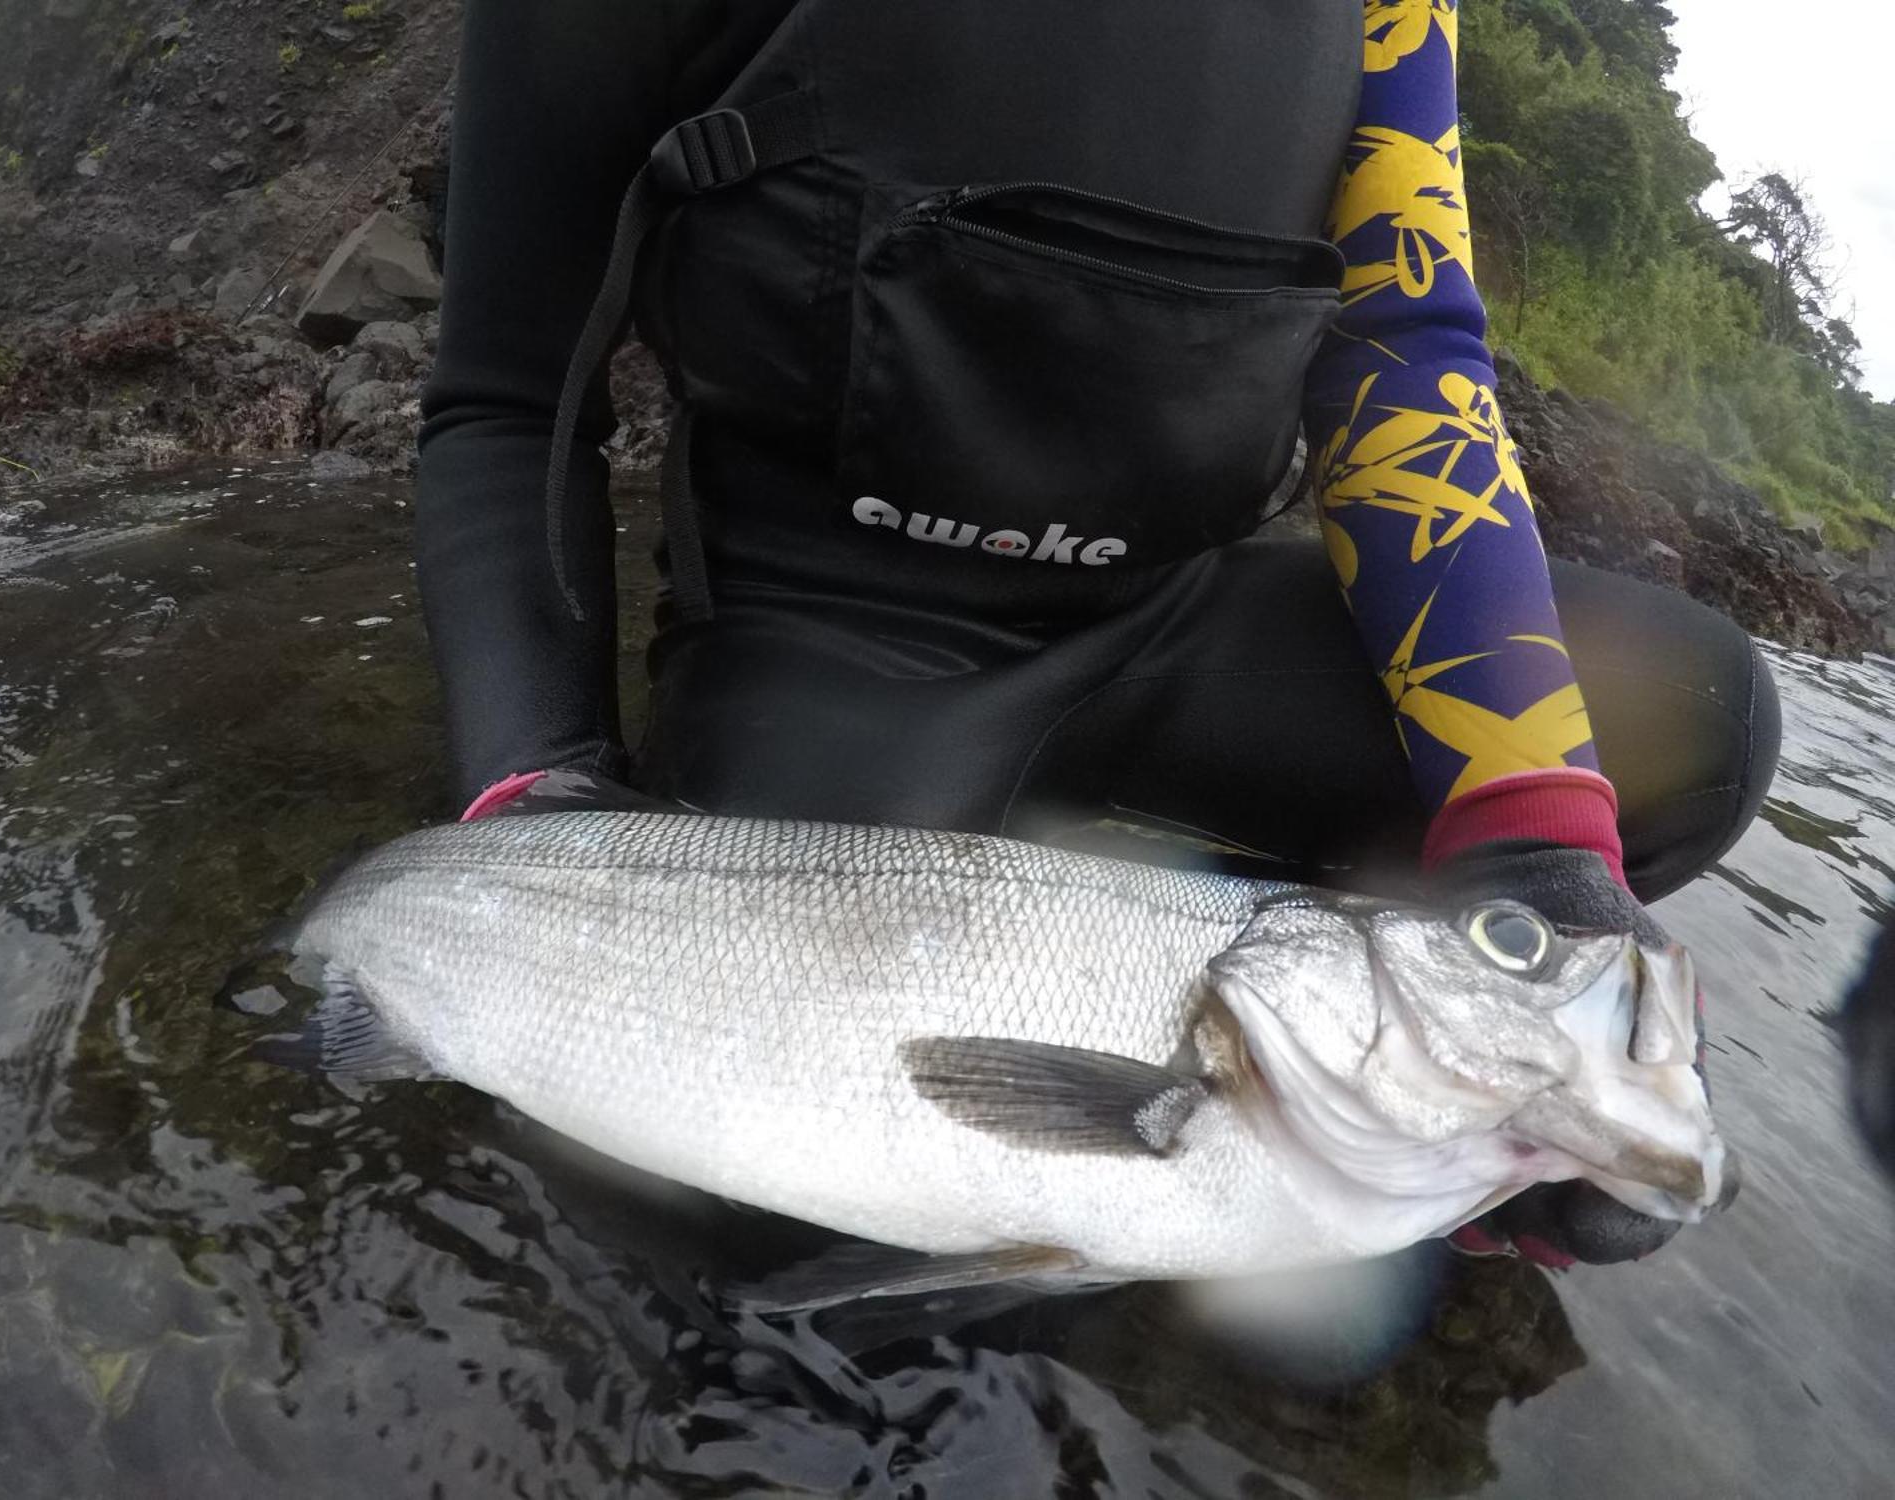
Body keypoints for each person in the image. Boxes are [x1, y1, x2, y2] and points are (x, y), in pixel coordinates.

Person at [416, 0, 1779, 1265]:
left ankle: (1388, 1120)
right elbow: (509, 394)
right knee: (772, 1214)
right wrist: (537, 806)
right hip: (836, 640)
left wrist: (1534, 845)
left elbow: (1405, 353)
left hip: (1160, 619)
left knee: (1692, 727)